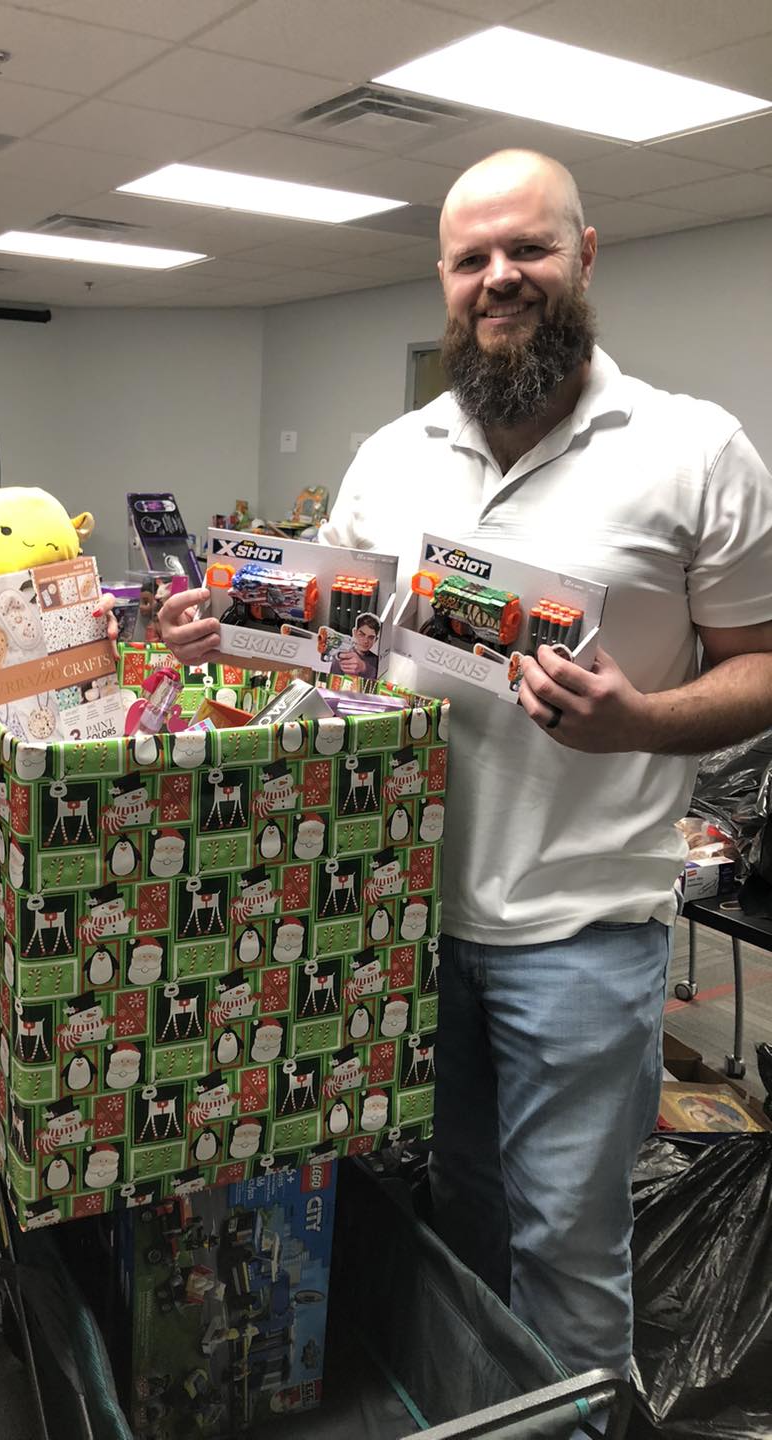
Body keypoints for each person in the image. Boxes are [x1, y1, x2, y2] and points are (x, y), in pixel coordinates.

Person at [155, 150, 772, 1380]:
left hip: (582, 931)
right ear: (444, 277)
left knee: (567, 1246)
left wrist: (636, 719)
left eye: (528, 250)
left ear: (585, 255)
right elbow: (324, 630)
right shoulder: (393, 455)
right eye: (473, 258)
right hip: (402, 918)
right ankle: (490, 1404)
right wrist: (221, 624)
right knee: (462, 1209)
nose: (502, 278)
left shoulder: (694, 449)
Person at [332, 611, 380, 679]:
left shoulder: (378, 661)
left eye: (371, 637)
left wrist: (364, 668)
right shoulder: (341, 656)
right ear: (354, 633)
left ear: (376, 640)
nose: (365, 641)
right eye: (361, 635)